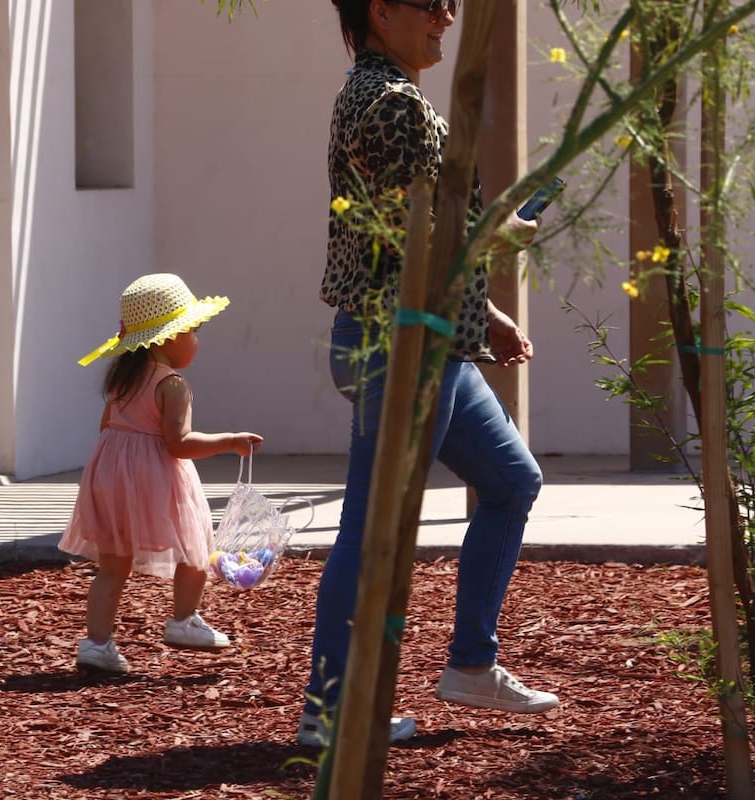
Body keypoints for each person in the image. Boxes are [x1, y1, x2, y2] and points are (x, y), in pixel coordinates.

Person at [299, 0, 558, 747]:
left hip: (423, 336)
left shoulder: (381, 92)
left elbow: (417, 238)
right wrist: (505, 232)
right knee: (372, 527)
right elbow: (424, 236)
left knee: (510, 480)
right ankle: (333, 711)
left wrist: (485, 313)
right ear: (380, 11)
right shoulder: (392, 106)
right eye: (433, 5)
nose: (448, 16)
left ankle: (470, 667)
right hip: (400, 345)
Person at [61, 273, 264, 674]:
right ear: (170, 337)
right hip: (154, 476)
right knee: (194, 549)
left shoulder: (123, 380)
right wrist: (230, 440)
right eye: (194, 331)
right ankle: (184, 620)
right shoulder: (173, 385)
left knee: (112, 566)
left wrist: (121, 464)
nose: (197, 340)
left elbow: (107, 427)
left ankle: (95, 644)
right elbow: (178, 443)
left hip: (111, 476)